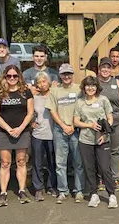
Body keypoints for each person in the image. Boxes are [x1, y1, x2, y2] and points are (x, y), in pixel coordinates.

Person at [73, 76, 119, 209]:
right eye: (87, 86)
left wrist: (105, 133)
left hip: (102, 139)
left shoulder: (103, 100)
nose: (90, 88)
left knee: (105, 168)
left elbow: (110, 118)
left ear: (97, 87)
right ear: (84, 88)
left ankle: (111, 194)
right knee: (89, 168)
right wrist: (89, 125)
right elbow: (76, 121)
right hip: (85, 140)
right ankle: (94, 194)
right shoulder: (80, 102)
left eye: (93, 85)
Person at [0, 65, 35, 206]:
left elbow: (30, 113)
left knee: (21, 161)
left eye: (15, 76)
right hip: (4, 132)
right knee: (5, 163)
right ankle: (3, 193)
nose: (12, 78)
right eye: (9, 76)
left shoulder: (26, 92)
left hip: (22, 131)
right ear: (5, 77)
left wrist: (21, 128)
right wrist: (9, 129)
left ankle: (22, 191)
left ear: (19, 77)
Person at [46, 63, 85, 204]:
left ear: (72, 74)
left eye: (69, 73)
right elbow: (52, 110)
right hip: (60, 129)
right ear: (60, 75)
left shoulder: (79, 89)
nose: (66, 76)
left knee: (78, 162)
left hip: (76, 129)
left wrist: (73, 125)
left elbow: (82, 108)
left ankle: (79, 190)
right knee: (60, 162)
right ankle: (63, 190)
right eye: (64, 74)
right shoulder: (54, 91)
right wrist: (63, 125)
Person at [97, 57, 119, 190]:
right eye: (103, 67)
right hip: (101, 123)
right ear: (99, 69)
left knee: (115, 151)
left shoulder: (117, 82)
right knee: (101, 151)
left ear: (111, 69)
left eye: (108, 67)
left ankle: (114, 178)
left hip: (118, 121)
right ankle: (101, 178)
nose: (105, 70)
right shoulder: (95, 83)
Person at [31, 72, 58, 201]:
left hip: (53, 134)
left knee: (53, 162)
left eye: (44, 81)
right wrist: (31, 122)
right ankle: (38, 188)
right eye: (39, 82)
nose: (42, 84)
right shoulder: (34, 98)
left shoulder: (55, 95)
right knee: (37, 162)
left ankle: (52, 186)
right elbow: (29, 112)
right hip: (38, 134)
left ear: (49, 82)